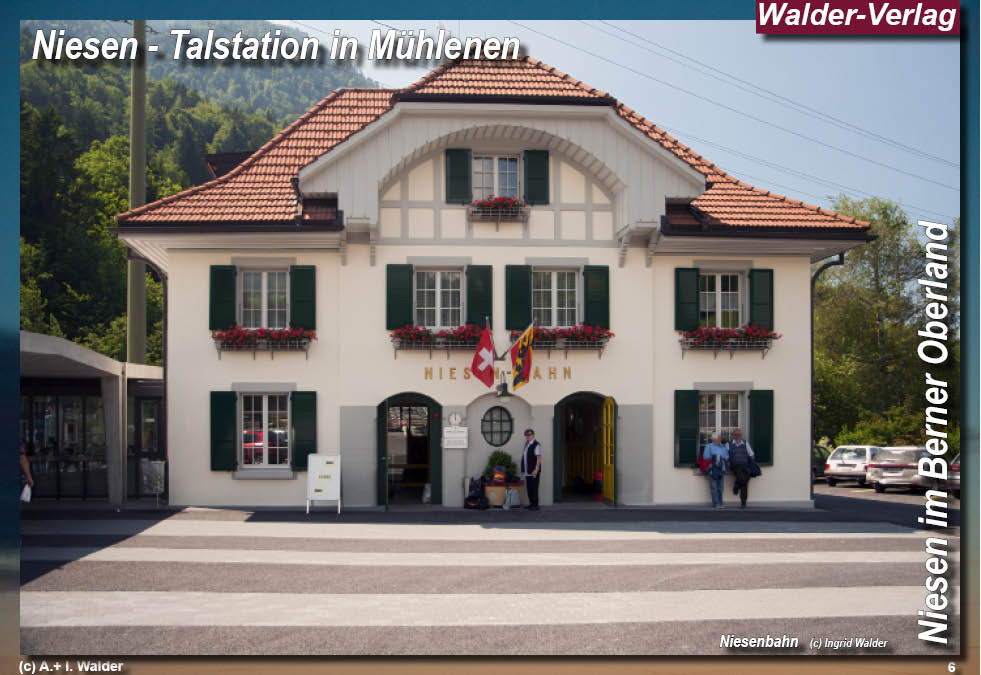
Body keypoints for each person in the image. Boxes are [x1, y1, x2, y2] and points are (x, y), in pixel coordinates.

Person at [728, 428, 756, 508]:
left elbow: (752, 455)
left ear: (741, 435)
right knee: (744, 478)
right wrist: (727, 463)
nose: (737, 436)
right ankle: (743, 500)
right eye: (736, 434)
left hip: (744, 465)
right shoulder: (729, 444)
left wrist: (750, 458)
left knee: (744, 481)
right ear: (733, 435)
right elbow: (726, 455)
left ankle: (737, 486)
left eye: (739, 434)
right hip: (735, 465)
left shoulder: (745, 443)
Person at [703, 432, 729, 509]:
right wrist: (713, 457)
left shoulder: (723, 447)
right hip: (713, 469)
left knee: (720, 488)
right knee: (713, 487)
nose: (720, 439)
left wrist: (724, 457)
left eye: (720, 438)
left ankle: (721, 503)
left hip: (721, 469)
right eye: (719, 438)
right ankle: (716, 503)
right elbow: (705, 457)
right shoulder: (709, 446)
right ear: (715, 439)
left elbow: (727, 457)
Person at [521, 428, 542, 510]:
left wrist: (536, 469)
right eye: (526, 435)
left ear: (533, 435)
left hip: (533, 470)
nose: (527, 436)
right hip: (527, 470)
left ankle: (535, 505)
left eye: (529, 435)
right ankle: (531, 503)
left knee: (534, 488)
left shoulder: (536, 444)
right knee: (529, 488)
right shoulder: (527, 444)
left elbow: (538, 458)